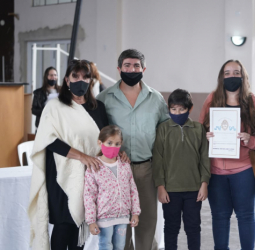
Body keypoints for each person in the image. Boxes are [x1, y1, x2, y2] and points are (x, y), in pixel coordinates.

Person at [28, 59, 128, 250]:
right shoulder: (54, 106)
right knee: (63, 226)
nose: (80, 80)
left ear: (91, 80)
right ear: (67, 80)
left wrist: (118, 153)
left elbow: (105, 139)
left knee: (79, 226)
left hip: (89, 177)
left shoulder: (98, 107)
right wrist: (82, 156)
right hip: (61, 176)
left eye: (85, 76)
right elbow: (48, 140)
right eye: (75, 76)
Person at [97, 49, 170, 250]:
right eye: (127, 65)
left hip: (147, 168)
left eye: (136, 65)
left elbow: (165, 131)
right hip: (117, 170)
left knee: (146, 220)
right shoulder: (104, 98)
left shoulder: (155, 98)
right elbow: (98, 133)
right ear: (119, 68)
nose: (132, 69)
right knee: (122, 222)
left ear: (143, 69)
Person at [199, 59, 255, 250]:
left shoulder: (253, 102)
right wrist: (206, 135)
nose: (232, 77)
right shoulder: (212, 99)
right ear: (221, 77)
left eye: (236, 72)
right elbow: (199, 132)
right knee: (219, 216)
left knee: (245, 215)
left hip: (243, 169)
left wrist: (250, 140)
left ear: (243, 76)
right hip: (216, 170)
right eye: (227, 73)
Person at [152, 89, 210, 250]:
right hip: (170, 190)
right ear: (168, 109)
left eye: (182, 109)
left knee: (193, 228)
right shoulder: (163, 129)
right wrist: (161, 187)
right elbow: (158, 160)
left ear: (190, 109)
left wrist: (204, 183)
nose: (177, 113)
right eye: (173, 109)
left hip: (194, 190)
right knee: (171, 228)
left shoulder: (198, 129)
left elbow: (205, 158)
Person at [84, 125, 141, 250]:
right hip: (104, 217)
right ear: (100, 142)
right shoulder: (94, 166)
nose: (113, 147)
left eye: (117, 144)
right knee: (105, 245)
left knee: (120, 246)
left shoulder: (125, 165)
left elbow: (133, 190)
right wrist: (91, 220)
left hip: (123, 216)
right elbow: (89, 195)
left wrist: (135, 213)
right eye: (109, 143)